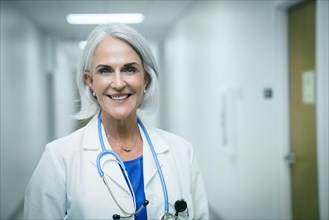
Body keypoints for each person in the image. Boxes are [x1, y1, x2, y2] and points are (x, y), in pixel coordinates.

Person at [24, 23, 209, 219]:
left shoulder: (181, 151)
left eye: (129, 69)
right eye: (105, 71)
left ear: (145, 79)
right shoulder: (59, 158)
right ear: (90, 82)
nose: (119, 83)